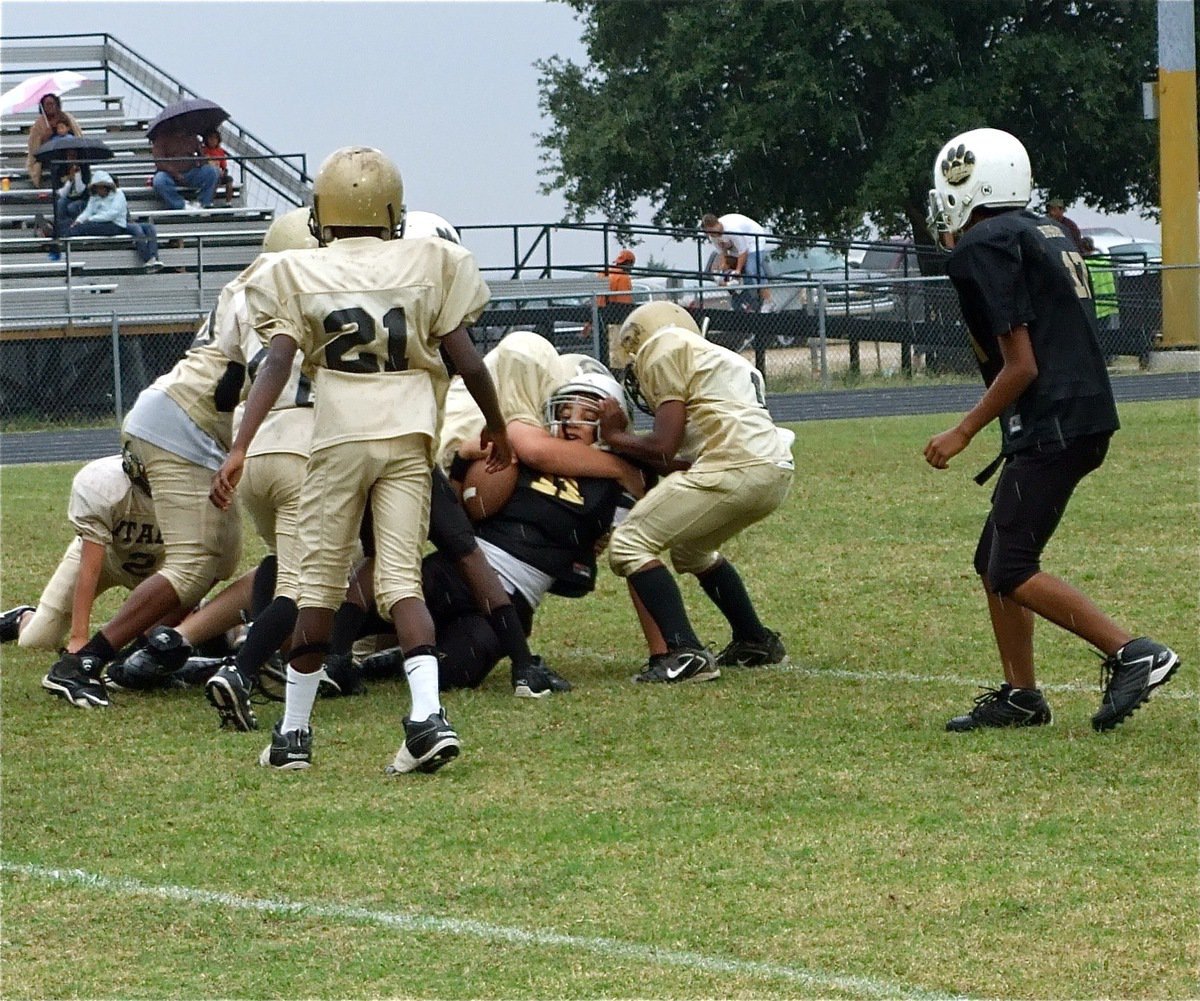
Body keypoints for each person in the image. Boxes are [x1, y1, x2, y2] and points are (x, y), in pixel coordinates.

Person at [210, 145, 513, 775]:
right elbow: (469, 360)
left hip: (341, 438)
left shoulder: (297, 270)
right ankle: (426, 717)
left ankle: (294, 733)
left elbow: (276, 362)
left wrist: (241, 444)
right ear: (392, 209)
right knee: (400, 579)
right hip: (408, 436)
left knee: (318, 583)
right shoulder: (432, 260)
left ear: (324, 211)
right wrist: (498, 426)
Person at [923, 126, 1179, 732]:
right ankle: (1021, 695)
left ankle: (1132, 652)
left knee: (1010, 565)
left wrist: (962, 432)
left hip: (1054, 418)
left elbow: (1021, 365)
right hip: (1079, 410)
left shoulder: (985, 242)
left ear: (969, 182)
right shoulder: (1044, 229)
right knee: (995, 558)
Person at [39, 231, 256, 708]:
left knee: (221, 556)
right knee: (196, 562)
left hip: (189, 420)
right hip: (181, 424)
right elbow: (264, 374)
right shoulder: (285, 287)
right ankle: (84, 661)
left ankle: (148, 648)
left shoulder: (254, 282)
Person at [597, 301, 794, 683]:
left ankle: (683, 652)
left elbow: (662, 449)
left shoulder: (662, 347)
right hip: (774, 470)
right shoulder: (724, 360)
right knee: (693, 550)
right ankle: (754, 639)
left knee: (629, 544)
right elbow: (679, 462)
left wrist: (616, 436)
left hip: (736, 467)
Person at [0, 454, 164, 653]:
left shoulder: (194, 484)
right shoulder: (105, 484)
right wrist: (79, 638)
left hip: (162, 569)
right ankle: (22, 617)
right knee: (38, 639)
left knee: (169, 640)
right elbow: (90, 568)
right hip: (104, 559)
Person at [59, 170, 163, 270]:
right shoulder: (94, 197)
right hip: (106, 224)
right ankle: (149, 259)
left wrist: (91, 219)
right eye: (97, 188)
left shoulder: (119, 194)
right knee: (137, 229)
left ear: (106, 186)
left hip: (117, 224)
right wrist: (79, 220)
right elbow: (88, 211)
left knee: (149, 228)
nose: (99, 191)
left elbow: (112, 214)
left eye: (100, 188)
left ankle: (153, 257)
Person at [701, 212, 774, 312]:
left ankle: (767, 300)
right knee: (727, 272)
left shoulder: (732, 230)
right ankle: (742, 302)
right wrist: (724, 265)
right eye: (709, 233)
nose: (712, 235)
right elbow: (722, 251)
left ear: (717, 224)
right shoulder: (713, 236)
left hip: (753, 240)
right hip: (737, 247)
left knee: (751, 270)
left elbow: (743, 251)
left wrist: (738, 270)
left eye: (713, 231)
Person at [151, 123, 219, 209]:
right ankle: (180, 204)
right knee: (159, 180)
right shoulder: (161, 139)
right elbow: (159, 162)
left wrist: (201, 162)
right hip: (169, 175)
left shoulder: (192, 137)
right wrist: (175, 173)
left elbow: (202, 157)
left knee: (212, 171)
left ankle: (204, 203)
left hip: (191, 172)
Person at [25, 93, 81, 188]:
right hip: (49, 157)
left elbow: (78, 136)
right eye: (47, 104)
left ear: (57, 104)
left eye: (52, 103)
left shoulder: (67, 118)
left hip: (69, 153)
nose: (50, 106)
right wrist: (45, 137)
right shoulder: (38, 125)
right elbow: (34, 149)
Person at [1081, 236, 1119, 332]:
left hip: (1092, 306)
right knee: (1105, 333)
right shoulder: (1104, 262)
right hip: (1107, 304)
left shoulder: (1085, 265)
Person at [201, 128, 235, 205]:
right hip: (208, 175)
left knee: (229, 180)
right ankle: (210, 201)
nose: (213, 140)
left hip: (220, 173)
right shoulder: (203, 150)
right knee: (213, 180)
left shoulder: (220, 151)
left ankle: (228, 202)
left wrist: (223, 172)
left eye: (215, 138)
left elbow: (224, 167)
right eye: (210, 138)